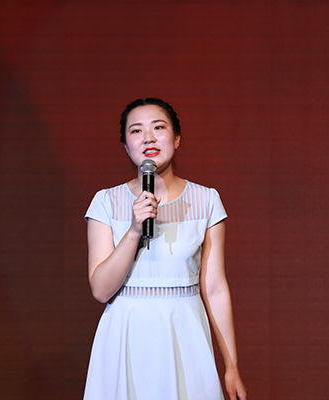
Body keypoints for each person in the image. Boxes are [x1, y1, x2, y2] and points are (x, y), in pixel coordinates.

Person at [83, 98, 247, 399]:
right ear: (126, 146)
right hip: (125, 335)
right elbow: (101, 290)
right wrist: (134, 231)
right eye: (136, 131)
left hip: (185, 333)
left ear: (177, 138)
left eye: (158, 127)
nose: (148, 138)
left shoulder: (206, 200)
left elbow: (215, 289)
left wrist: (231, 366)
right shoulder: (106, 202)